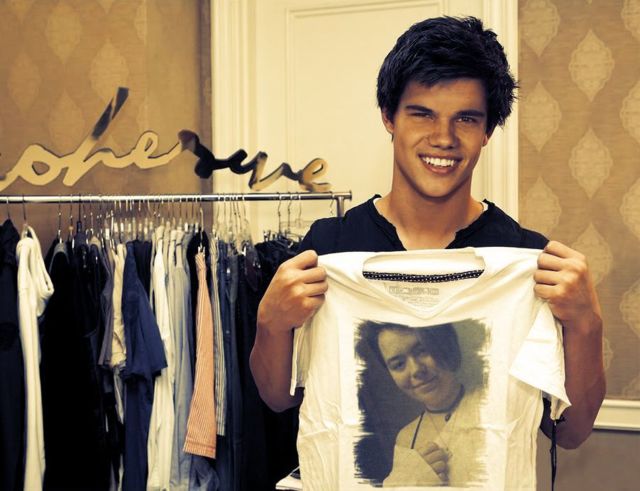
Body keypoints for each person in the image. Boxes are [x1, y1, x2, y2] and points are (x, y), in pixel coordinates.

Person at [249, 14, 605, 455]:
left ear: (487, 131)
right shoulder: (329, 249)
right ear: (389, 117)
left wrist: (586, 323)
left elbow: (570, 433)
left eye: (466, 119)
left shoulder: (527, 259)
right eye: (422, 114)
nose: (443, 138)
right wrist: (271, 322)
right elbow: (278, 398)